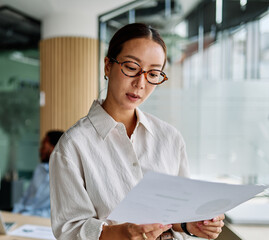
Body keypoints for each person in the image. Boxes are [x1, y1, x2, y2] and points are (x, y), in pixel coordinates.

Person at [49, 23, 224, 240]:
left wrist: (190, 225)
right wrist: (123, 232)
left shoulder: (170, 138)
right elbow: (69, 230)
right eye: (131, 67)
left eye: (153, 73)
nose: (140, 83)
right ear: (107, 66)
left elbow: (176, 214)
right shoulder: (73, 146)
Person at [13, 130, 64, 217]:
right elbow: (25, 196)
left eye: (43, 145)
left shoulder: (64, 176)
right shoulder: (39, 169)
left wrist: (27, 215)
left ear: (53, 148)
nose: (40, 149)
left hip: (40, 222)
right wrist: (15, 213)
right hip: (21, 216)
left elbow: (56, 213)